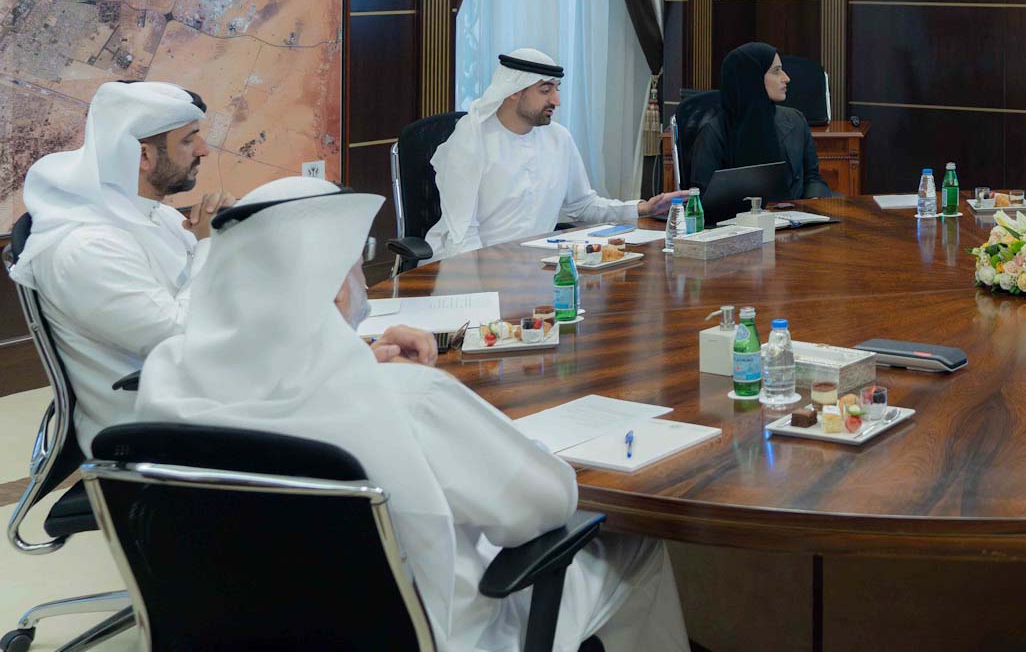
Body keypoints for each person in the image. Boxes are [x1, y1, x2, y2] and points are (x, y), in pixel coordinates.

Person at [135, 177, 689, 652]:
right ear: (332, 294)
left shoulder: (166, 381)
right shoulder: (405, 399)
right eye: (357, 270)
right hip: (432, 635)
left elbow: (274, 400)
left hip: (241, 629)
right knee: (636, 550)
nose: (363, 287)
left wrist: (356, 357)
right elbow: (545, 506)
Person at [6, 80, 434, 451]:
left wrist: (343, 353)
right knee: (391, 428)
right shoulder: (82, 249)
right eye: (189, 140)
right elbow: (184, 335)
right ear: (143, 157)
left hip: (211, 392)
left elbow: (220, 312)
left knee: (395, 396)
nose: (204, 150)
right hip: (157, 429)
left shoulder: (154, 216)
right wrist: (212, 245)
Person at [426, 49, 682, 259]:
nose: (556, 100)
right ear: (514, 90)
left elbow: (582, 206)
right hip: (471, 267)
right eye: (545, 90)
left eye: (557, 89)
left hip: (535, 266)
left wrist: (643, 208)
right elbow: (463, 235)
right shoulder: (470, 139)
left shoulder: (559, 138)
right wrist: (484, 291)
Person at [685, 42, 834, 202]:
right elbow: (704, 198)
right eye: (776, 71)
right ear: (752, 77)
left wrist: (814, 201)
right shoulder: (714, 132)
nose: (786, 78)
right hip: (737, 217)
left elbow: (813, 178)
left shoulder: (796, 120)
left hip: (794, 213)